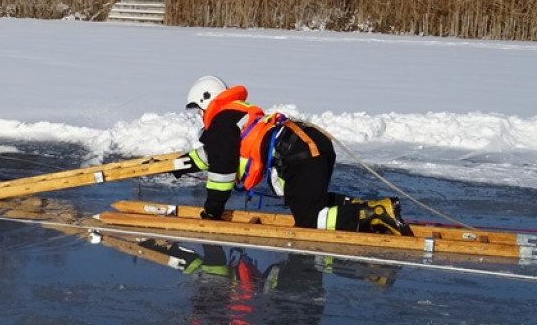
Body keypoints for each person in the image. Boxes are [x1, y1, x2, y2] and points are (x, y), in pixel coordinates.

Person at [174, 76, 412, 236]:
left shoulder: (220, 123)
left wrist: (212, 211)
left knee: (309, 220)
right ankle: (374, 209)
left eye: (198, 108)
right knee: (311, 202)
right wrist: (183, 164)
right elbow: (220, 153)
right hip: (311, 144)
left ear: (207, 101)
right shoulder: (235, 114)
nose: (198, 114)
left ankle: (374, 215)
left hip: (300, 153)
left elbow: (222, 172)